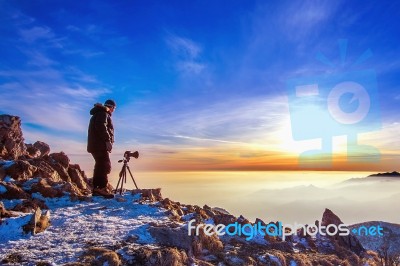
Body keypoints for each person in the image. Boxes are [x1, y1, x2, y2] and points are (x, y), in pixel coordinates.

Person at [87, 99, 116, 199]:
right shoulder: (103, 113)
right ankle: (101, 188)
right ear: (111, 107)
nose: (113, 111)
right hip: (99, 145)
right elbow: (101, 126)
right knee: (104, 165)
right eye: (114, 108)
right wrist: (107, 140)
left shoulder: (99, 113)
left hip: (96, 145)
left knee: (100, 165)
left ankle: (97, 189)